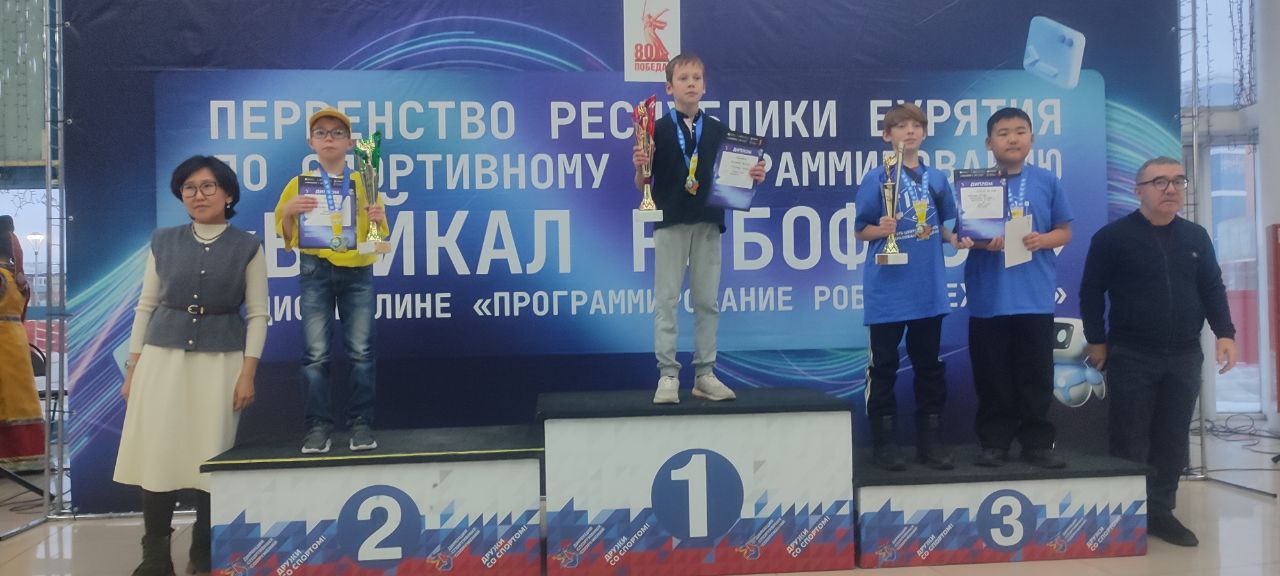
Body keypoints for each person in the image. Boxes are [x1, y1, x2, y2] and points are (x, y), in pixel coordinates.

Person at [115, 156, 266, 575]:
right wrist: (133, 367)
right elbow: (145, 306)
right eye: (189, 188)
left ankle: (204, 547)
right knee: (159, 455)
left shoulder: (248, 247)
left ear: (228, 193)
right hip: (161, 359)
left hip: (221, 362)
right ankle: (155, 556)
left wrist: (247, 373)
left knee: (211, 455)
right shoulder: (163, 241)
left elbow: (258, 315)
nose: (198, 195)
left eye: (208, 186)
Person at [1079, 156, 1236, 547]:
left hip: (1184, 355)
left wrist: (1225, 333)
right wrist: (1096, 339)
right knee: (1129, 436)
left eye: (1178, 181)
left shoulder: (1196, 236)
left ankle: (1161, 512)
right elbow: (1091, 291)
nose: (1171, 189)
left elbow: (1212, 287)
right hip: (1132, 353)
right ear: (1139, 190)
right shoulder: (1113, 237)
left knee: (1172, 437)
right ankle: (1125, 514)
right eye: (1160, 182)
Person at [631, 54, 766, 404]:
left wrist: (752, 175)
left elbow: (734, 180)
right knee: (667, 300)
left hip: (708, 223)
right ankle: (668, 375)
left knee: (707, 301)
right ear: (669, 87)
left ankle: (705, 374)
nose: (691, 83)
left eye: (696, 78)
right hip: (670, 222)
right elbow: (642, 183)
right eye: (683, 78)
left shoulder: (719, 131)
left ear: (705, 86)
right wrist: (641, 165)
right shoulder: (656, 130)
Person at [953, 107, 1073, 469]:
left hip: (1033, 297)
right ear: (989, 143)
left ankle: (1037, 443)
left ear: (1032, 139)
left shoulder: (1047, 181)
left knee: (1036, 374)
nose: (1012, 139)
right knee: (992, 375)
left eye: (1020, 131)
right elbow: (960, 236)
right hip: (989, 297)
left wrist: (1041, 239)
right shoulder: (976, 184)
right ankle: (994, 442)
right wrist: (977, 241)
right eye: (1003, 133)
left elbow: (1064, 231)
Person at [274, 108, 388, 453]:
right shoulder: (298, 184)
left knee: (362, 352)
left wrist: (377, 220)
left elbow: (378, 239)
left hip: (357, 272)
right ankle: (318, 426)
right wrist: (289, 213)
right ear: (310, 142)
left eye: (337, 133)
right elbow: (287, 235)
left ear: (350, 143)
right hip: (315, 270)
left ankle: (361, 423)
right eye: (321, 133)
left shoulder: (365, 181)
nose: (329, 138)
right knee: (316, 354)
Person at [854, 103, 959, 471]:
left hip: (927, 290)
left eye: (916, 125)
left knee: (929, 366)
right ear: (887, 136)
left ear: (925, 133)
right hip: (887, 291)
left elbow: (945, 227)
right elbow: (861, 230)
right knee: (883, 366)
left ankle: (930, 443)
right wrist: (881, 229)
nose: (910, 131)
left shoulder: (938, 179)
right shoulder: (876, 178)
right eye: (900, 126)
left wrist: (959, 238)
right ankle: (884, 445)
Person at [0, 223, 43, 472]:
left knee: (6, 400)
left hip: (3, 343)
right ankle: (27, 456)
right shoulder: (17, 280)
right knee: (20, 398)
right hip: (15, 340)